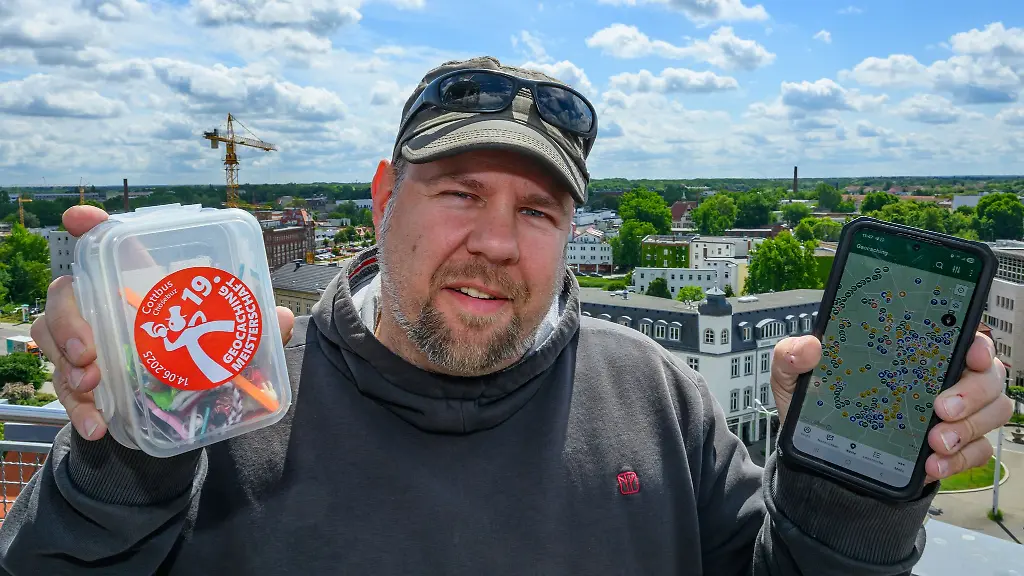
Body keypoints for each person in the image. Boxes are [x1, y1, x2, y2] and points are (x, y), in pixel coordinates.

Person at [0, 56, 1011, 575]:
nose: (495, 240)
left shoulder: (653, 394)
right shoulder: (231, 395)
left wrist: (850, 477)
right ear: (383, 194)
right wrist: (125, 443)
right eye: (459, 192)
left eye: (536, 210)